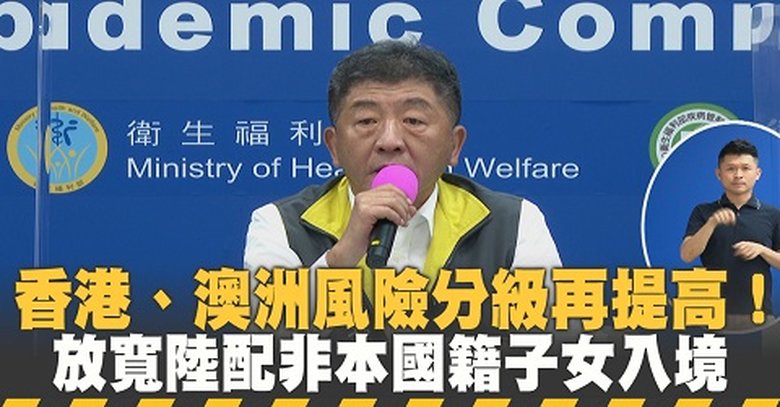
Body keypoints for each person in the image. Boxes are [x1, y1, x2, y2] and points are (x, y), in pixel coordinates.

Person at [244, 40, 561, 327]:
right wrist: (339, 260)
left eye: (413, 121)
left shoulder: (514, 224)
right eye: (367, 121)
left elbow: (549, 349)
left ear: (454, 146)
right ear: (334, 147)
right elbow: (265, 352)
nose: (390, 141)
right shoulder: (279, 226)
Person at [680, 138, 780, 329]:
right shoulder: (703, 211)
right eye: (731, 169)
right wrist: (711, 223)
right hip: (711, 315)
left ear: (757, 173)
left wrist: (762, 250)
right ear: (719, 174)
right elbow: (687, 255)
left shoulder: (773, 215)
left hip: (759, 314)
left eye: (745, 168)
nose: (738, 175)